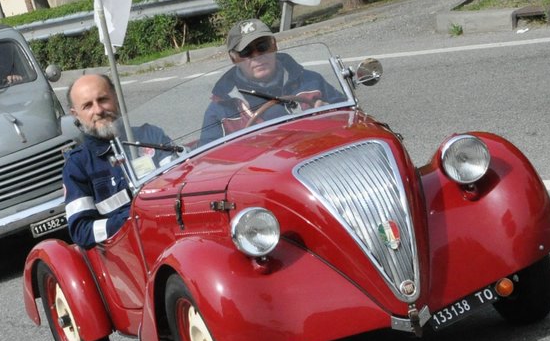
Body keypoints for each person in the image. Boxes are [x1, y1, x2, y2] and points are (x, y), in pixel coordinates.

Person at [62, 74, 173, 248]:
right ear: (76, 115)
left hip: (172, 228)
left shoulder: (150, 136)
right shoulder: (77, 165)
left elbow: (181, 182)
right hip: (127, 250)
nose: (98, 110)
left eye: (103, 99)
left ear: (116, 99)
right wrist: (131, 218)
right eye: (88, 105)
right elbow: (81, 230)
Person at [201, 19, 343, 139]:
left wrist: (332, 113)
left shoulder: (311, 81)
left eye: (263, 47)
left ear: (274, 45)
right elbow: (210, 164)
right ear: (234, 58)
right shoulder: (221, 107)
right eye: (246, 52)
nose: (257, 56)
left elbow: (352, 119)